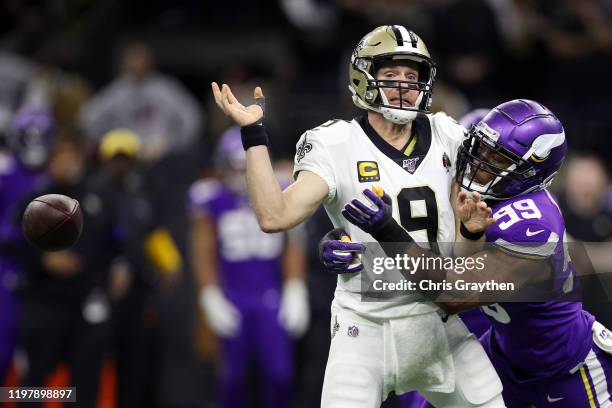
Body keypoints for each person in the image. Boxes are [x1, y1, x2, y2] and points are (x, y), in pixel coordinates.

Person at [212, 25, 503, 407]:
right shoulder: (336, 143)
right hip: (366, 324)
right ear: (364, 79)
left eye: (411, 77)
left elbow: (463, 261)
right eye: (390, 75)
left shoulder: (448, 133)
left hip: (438, 320)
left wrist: (470, 229)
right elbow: (274, 216)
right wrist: (253, 135)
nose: (403, 86)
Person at [327, 99, 612, 407]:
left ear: (530, 172)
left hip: (564, 369)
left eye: (497, 159)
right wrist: (344, 240)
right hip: (501, 358)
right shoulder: (467, 190)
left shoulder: (532, 223)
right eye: (480, 148)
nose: (480, 161)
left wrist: (384, 230)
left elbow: (451, 293)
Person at [188, 127, 309, 408]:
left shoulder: (279, 187)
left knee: (279, 374)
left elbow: (293, 241)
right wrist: (209, 295)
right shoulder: (211, 197)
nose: (242, 175)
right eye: (236, 166)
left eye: (246, 167)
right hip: (233, 293)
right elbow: (203, 250)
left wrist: (295, 288)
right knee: (232, 378)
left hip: (270, 294)